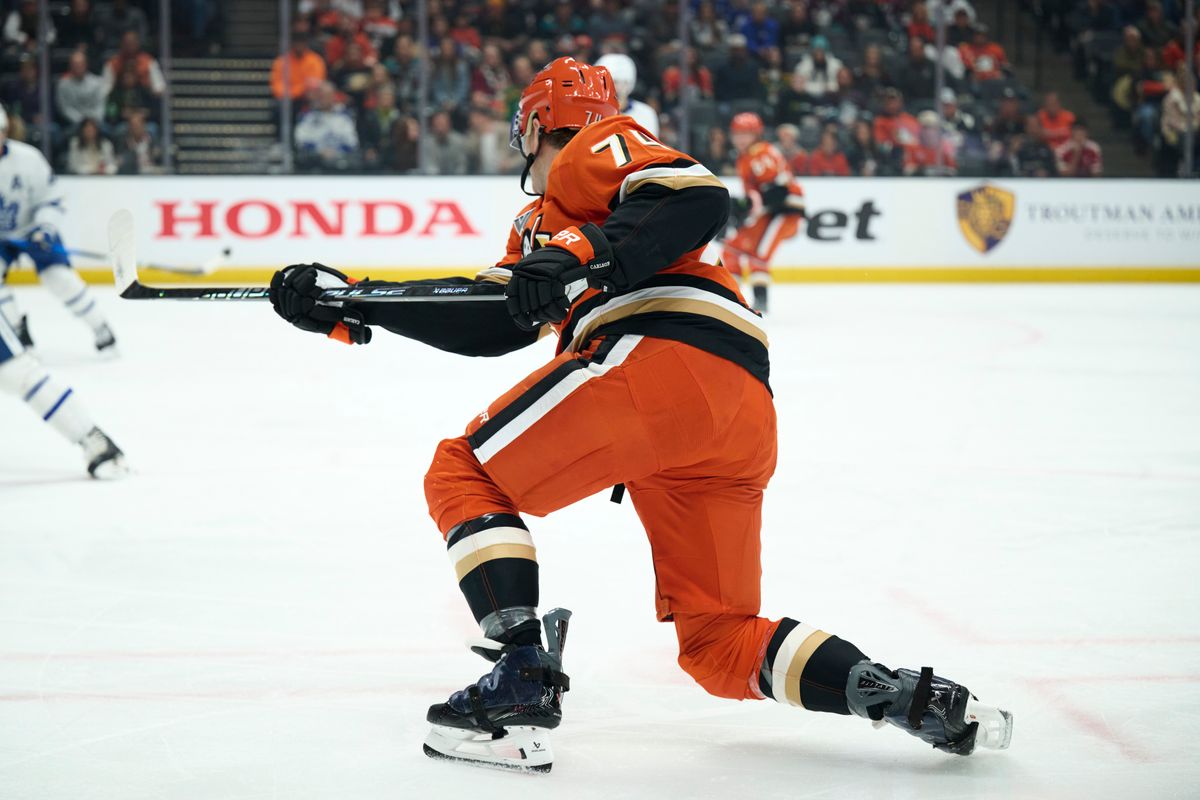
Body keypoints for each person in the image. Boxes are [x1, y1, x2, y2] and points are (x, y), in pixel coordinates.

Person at [267, 56, 1013, 773]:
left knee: (464, 473)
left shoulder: (596, 147)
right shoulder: (543, 225)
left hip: (662, 361)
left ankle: (521, 682)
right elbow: (492, 318)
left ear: (541, 122)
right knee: (718, 645)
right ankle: (901, 694)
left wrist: (580, 250)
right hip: (734, 413)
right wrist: (354, 299)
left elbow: (697, 199)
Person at [0, 105, 118, 356]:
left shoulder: (28, 159)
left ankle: (101, 329)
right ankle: (16, 332)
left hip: (32, 231)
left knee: (60, 279)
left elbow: (51, 198)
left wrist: (44, 228)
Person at [723, 111, 806, 313]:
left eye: (746, 134)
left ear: (757, 135)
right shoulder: (744, 158)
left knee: (758, 255)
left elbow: (777, 192)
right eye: (737, 134)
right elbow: (760, 197)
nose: (740, 139)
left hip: (785, 211)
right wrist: (746, 206)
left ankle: (761, 301)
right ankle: (732, 298)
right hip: (769, 212)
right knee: (732, 249)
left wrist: (746, 206)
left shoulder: (762, 153)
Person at [294, 81, 359, 172]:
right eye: (321, 95)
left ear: (333, 96)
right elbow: (300, 141)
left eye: (327, 95)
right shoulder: (307, 116)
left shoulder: (344, 116)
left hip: (340, 162)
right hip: (314, 162)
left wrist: (336, 152)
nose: (324, 99)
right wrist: (319, 152)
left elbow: (352, 142)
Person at [596, 54, 659, 136]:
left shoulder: (646, 113)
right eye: (614, 82)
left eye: (625, 82)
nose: (618, 88)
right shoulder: (590, 112)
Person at [56, 50, 107, 131]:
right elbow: (65, 108)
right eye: (75, 64)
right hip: (73, 123)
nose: (78, 67)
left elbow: (100, 105)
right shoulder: (63, 85)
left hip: (96, 122)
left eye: (80, 64)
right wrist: (82, 122)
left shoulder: (97, 83)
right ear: (70, 66)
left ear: (86, 65)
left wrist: (93, 121)